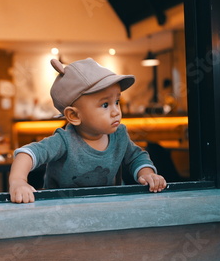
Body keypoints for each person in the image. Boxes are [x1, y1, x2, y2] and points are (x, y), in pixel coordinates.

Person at [9, 58, 167, 203]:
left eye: (117, 101)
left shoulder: (119, 135)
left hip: (110, 204)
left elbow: (136, 157)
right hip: (63, 208)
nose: (116, 111)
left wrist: (147, 174)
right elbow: (27, 154)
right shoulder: (64, 141)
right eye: (105, 104)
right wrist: (18, 182)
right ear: (74, 115)